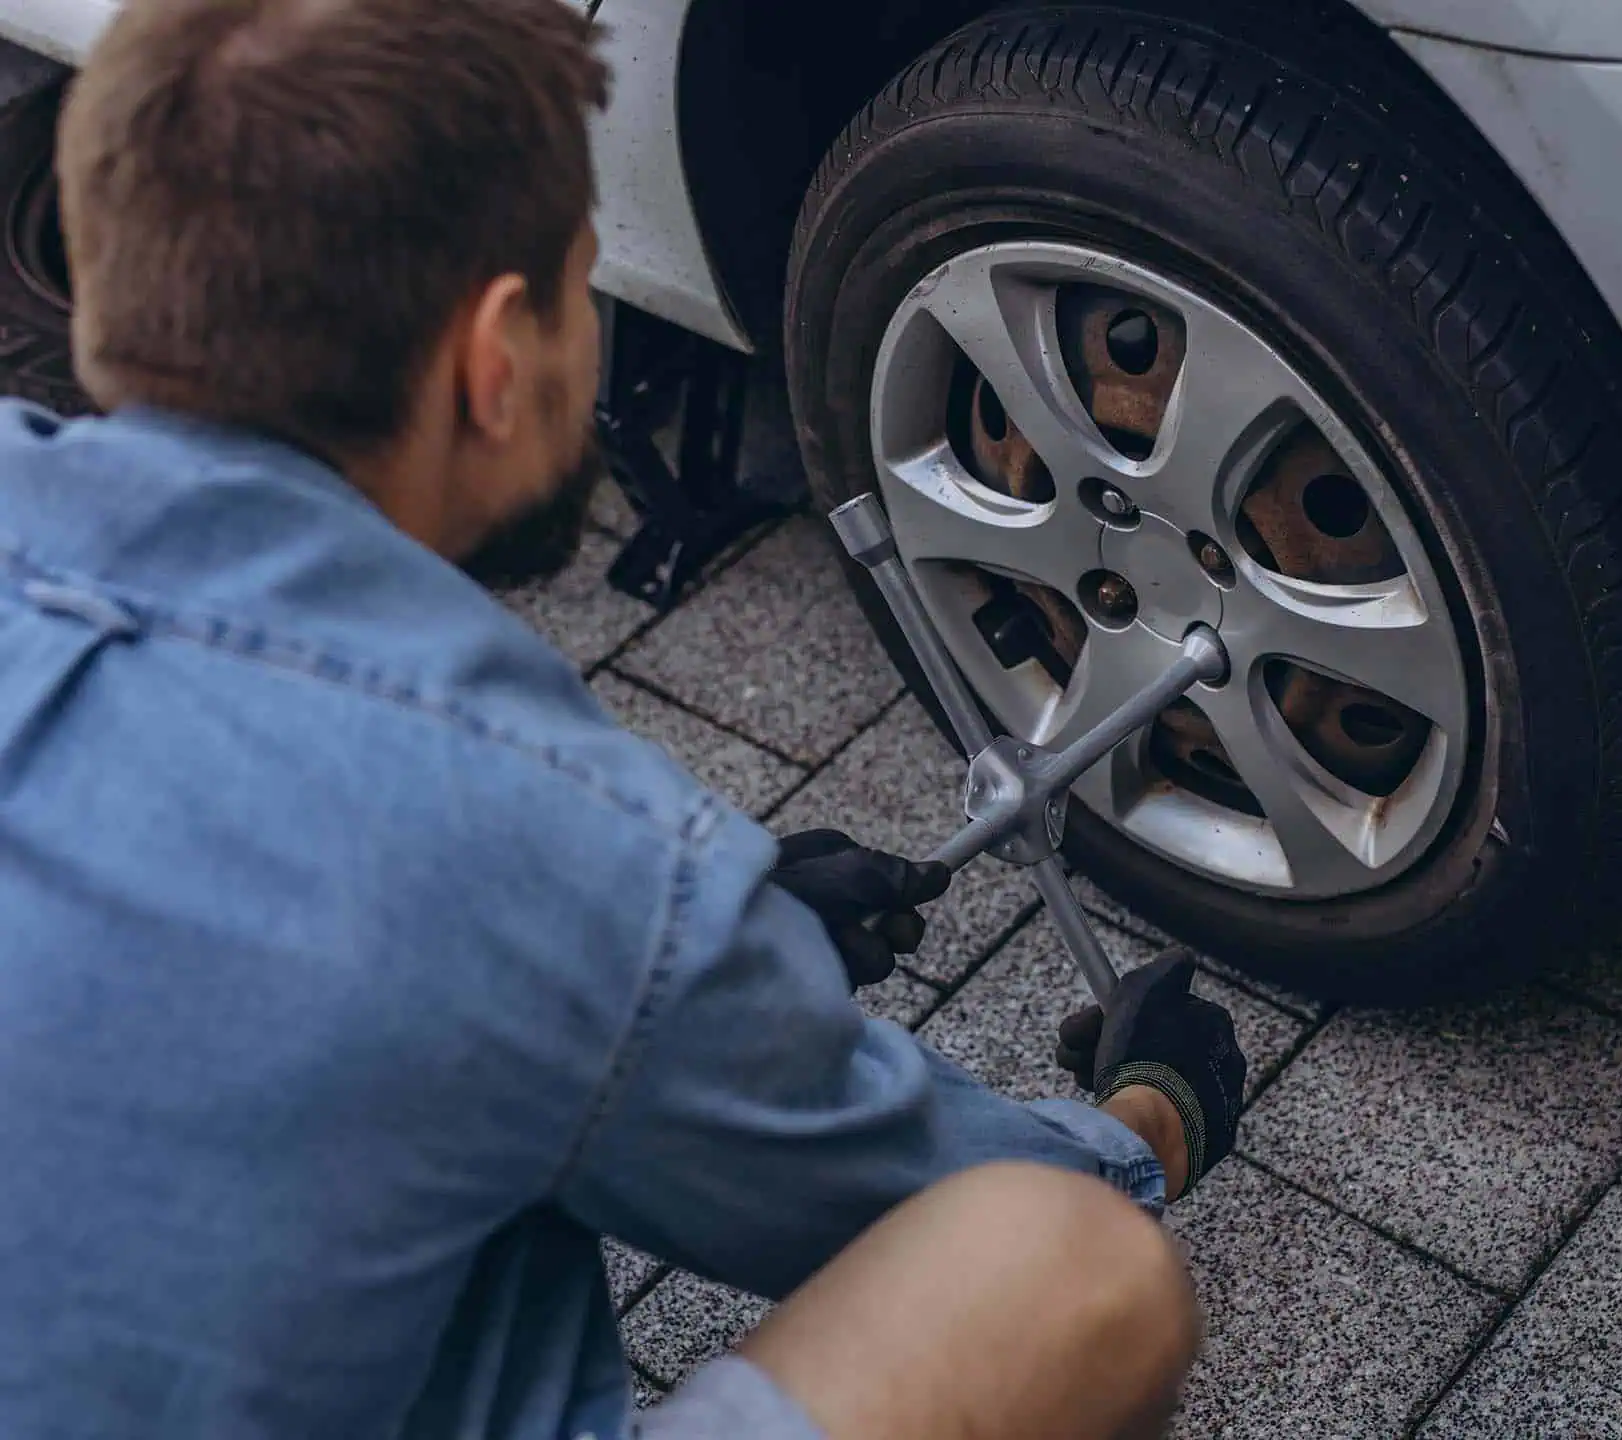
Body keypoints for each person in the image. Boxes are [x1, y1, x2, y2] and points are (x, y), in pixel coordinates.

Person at [0, 2, 1251, 1437]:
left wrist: (690, 959)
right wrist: (1154, 1111)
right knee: (1071, 1273)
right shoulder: (538, 845)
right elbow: (964, 1201)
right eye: (586, 288)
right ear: (492, 361)